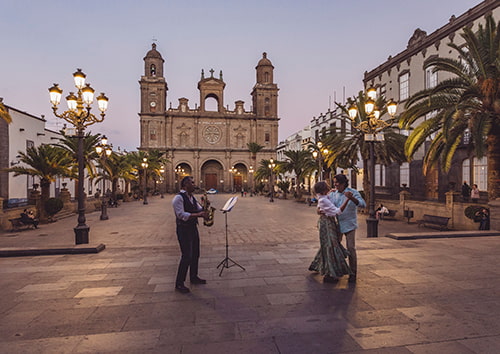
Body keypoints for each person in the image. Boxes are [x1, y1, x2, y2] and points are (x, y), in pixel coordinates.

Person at [309, 181, 353, 283]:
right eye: (327, 186)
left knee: (328, 244)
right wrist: (347, 200)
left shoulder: (323, 197)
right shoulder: (323, 200)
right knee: (331, 245)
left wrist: (331, 192)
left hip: (328, 222)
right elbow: (337, 211)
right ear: (324, 189)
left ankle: (318, 265)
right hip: (327, 224)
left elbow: (323, 200)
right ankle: (329, 273)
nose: (330, 187)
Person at [172, 176, 208, 293]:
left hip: (193, 228)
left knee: (195, 253)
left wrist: (205, 207)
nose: (194, 184)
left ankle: (193, 276)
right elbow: (181, 215)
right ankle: (179, 283)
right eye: (192, 183)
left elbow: (198, 209)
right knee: (186, 256)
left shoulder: (192, 197)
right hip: (183, 229)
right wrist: (199, 215)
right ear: (185, 185)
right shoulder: (178, 198)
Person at [327, 174, 366, 283]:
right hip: (337, 224)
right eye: (334, 182)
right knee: (335, 248)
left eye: (337, 182)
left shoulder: (353, 192)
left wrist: (352, 198)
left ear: (343, 183)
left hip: (349, 224)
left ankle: (353, 273)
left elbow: (363, 204)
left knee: (351, 248)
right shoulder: (334, 194)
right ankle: (337, 271)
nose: (335, 184)